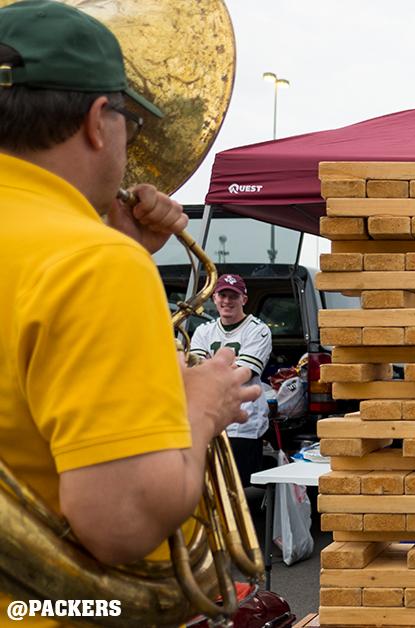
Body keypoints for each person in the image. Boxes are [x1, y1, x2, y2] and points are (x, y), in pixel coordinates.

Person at [0, 0, 257, 620]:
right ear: (96, 121)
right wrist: (201, 405)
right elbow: (120, 519)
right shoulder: (92, 265)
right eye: (131, 126)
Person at [188, 273, 273, 488]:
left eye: (233, 296)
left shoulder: (258, 330)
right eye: (223, 295)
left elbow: (244, 373)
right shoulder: (203, 330)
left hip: (243, 423)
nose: (227, 301)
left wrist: (210, 370)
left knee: (240, 490)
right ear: (214, 298)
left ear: (244, 299)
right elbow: (195, 369)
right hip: (208, 421)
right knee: (207, 486)